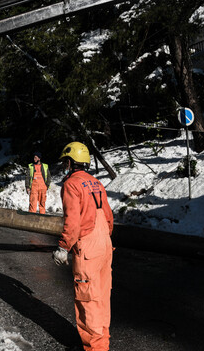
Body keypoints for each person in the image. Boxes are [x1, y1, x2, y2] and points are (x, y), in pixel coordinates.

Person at [52, 141, 114, 351]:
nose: (64, 165)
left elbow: (72, 221)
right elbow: (108, 216)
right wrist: (105, 239)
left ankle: (95, 347)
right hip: (105, 242)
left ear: (70, 161)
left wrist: (63, 247)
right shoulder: (96, 182)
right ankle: (102, 339)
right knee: (102, 295)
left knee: (87, 298)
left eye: (65, 162)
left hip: (87, 245)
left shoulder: (71, 184)